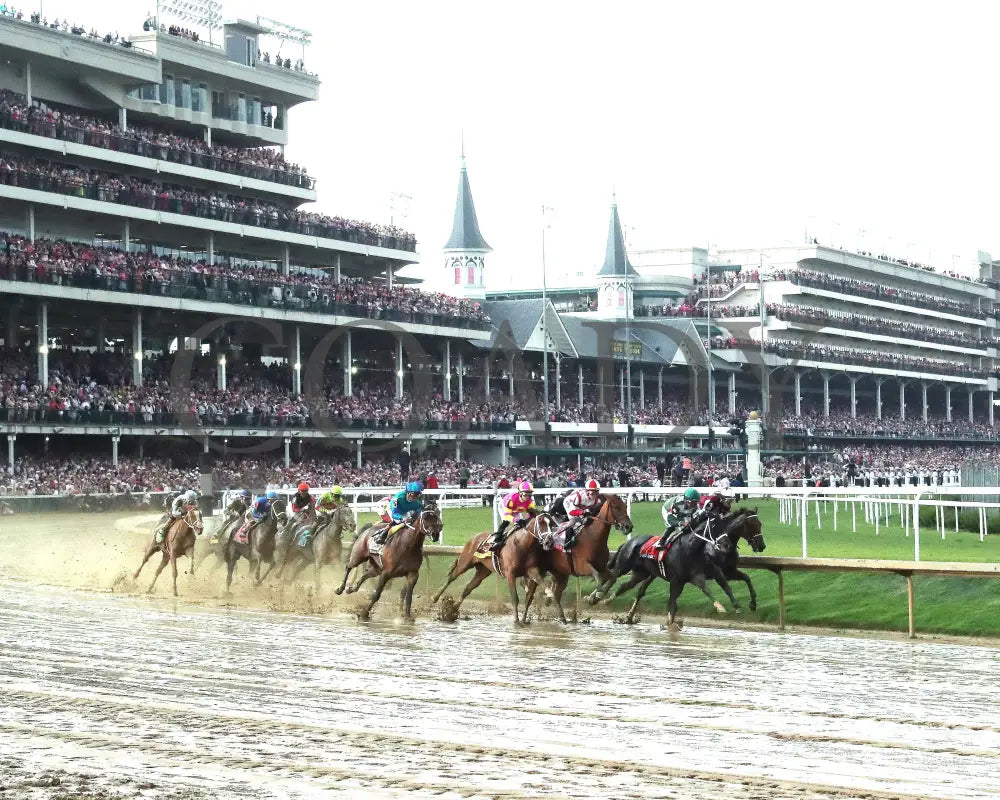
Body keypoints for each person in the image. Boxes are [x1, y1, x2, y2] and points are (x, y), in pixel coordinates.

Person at [486, 480, 537, 553]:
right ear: (520, 493)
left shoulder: (530, 503)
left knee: (522, 525)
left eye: (529, 495)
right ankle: (496, 541)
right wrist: (516, 520)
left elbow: (530, 515)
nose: (527, 497)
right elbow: (507, 516)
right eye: (525, 495)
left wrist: (527, 520)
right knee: (506, 522)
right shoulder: (512, 500)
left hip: (517, 509)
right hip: (505, 507)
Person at [371, 481, 423, 546]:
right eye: (414, 494)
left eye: (418, 494)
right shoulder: (397, 498)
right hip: (392, 509)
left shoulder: (417, 503)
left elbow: (419, 513)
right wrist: (402, 518)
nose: (416, 497)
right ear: (408, 493)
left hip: (403, 511)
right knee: (397, 522)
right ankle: (382, 535)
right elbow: (394, 514)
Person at [557, 478, 602, 549]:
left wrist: (586, 512)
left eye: (596, 492)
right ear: (587, 491)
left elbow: (589, 509)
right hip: (570, 503)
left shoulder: (596, 501)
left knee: (585, 522)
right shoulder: (579, 496)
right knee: (573, 521)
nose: (594, 495)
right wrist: (582, 512)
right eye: (592, 492)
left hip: (581, 506)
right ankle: (567, 542)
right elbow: (572, 511)